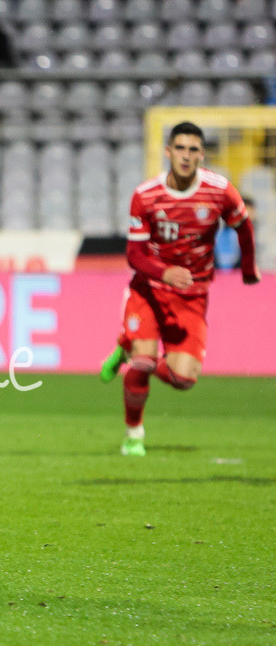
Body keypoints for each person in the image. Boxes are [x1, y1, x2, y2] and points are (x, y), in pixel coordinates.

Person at [99, 121, 260, 457]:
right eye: (180, 148)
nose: (186, 156)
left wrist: (248, 268)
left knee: (183, 379)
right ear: (168, 152)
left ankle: (126, 349)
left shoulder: (219, 191)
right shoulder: (146, 195)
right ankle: (134, 436)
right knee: (143, 363)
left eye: (193, 149)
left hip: (193, 294)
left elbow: (243, 225)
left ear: (202, 155)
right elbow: (134, 254)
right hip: (149, 290)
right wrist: (164, 272)